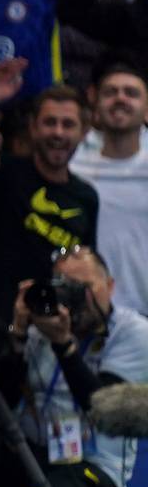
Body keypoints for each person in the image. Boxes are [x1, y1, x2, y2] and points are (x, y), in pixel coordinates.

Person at [0, 245, 148, 487]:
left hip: (91, 468)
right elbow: (1, 405)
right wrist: (18, 336)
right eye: (64, 287)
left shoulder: (133, 334)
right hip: (33, 456)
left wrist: (64, 346)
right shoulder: (40, 328)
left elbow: (105, 411)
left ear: (110, 286)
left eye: (84, 286)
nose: (76, 297)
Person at [0, 59, 99, 326]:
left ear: (84, 132)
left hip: (55, 331)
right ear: (33, 128)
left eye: (68, 124)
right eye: (50, 122)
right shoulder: (6, 173)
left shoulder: (86, 196)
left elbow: (87, 268)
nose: (58, 132)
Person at [71, 62, 148, 315]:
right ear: (94, 100)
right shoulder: (70, 161)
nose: (120, 99)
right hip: (85, 312)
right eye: (110, 92)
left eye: (131, 93)